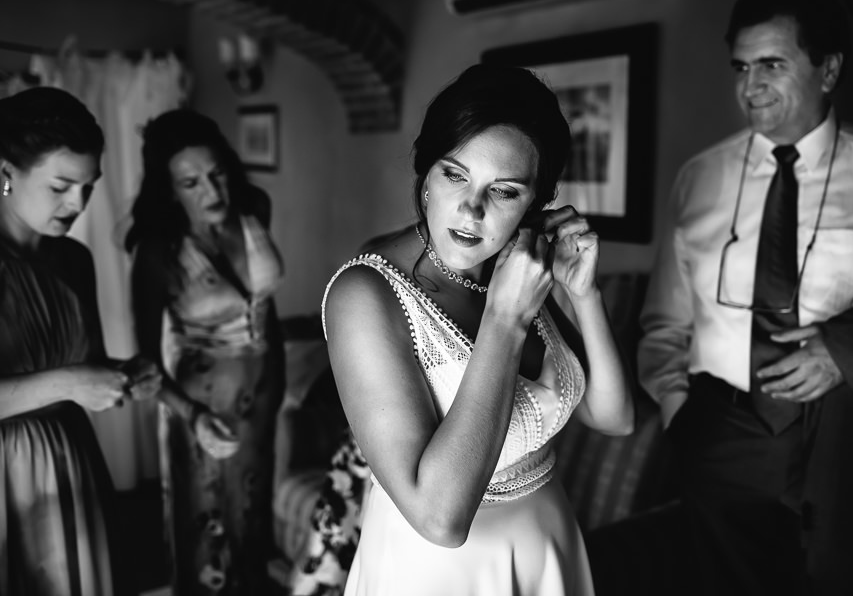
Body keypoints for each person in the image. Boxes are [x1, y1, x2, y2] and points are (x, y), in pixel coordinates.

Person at [322, 63, 634, 596]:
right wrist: (504, 320)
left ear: (536, 201)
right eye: (454, 173)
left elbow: (614, 418)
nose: (470, 209)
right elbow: (439, 520)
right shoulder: (366, 295)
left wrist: (583, 295)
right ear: (426, 172)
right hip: (437, 574)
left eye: (505, 191)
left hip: (546, 545)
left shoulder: (520, 264)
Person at [638, 0, 853, 594]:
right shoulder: (698, 178)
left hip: (845, 441)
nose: (750, 86)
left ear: (828, 70)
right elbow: (664, 323)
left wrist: (848, 351)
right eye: (741, 67)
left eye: (772, 65)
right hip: (719, 435)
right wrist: (683, 416)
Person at [0, 86, 160, 595]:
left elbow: (78, 362)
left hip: (72, 465)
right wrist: (71, 381)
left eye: (89, 186)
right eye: (61, 185)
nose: (79, 203)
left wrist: (123, 375)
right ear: (5, 173)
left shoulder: (75, 261)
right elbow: (64, 376)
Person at [125, 109, 286, 595]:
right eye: (191, 182)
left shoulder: (254, 206)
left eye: (216, 174)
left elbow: (265, 306)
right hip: (202, 399)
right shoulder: (157, 252)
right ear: (169, 189)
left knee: (252, 517)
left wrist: (274, 382)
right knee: (207, 524)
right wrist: (190, 415)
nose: (212, 192)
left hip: (261, 394)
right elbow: (147, 359)